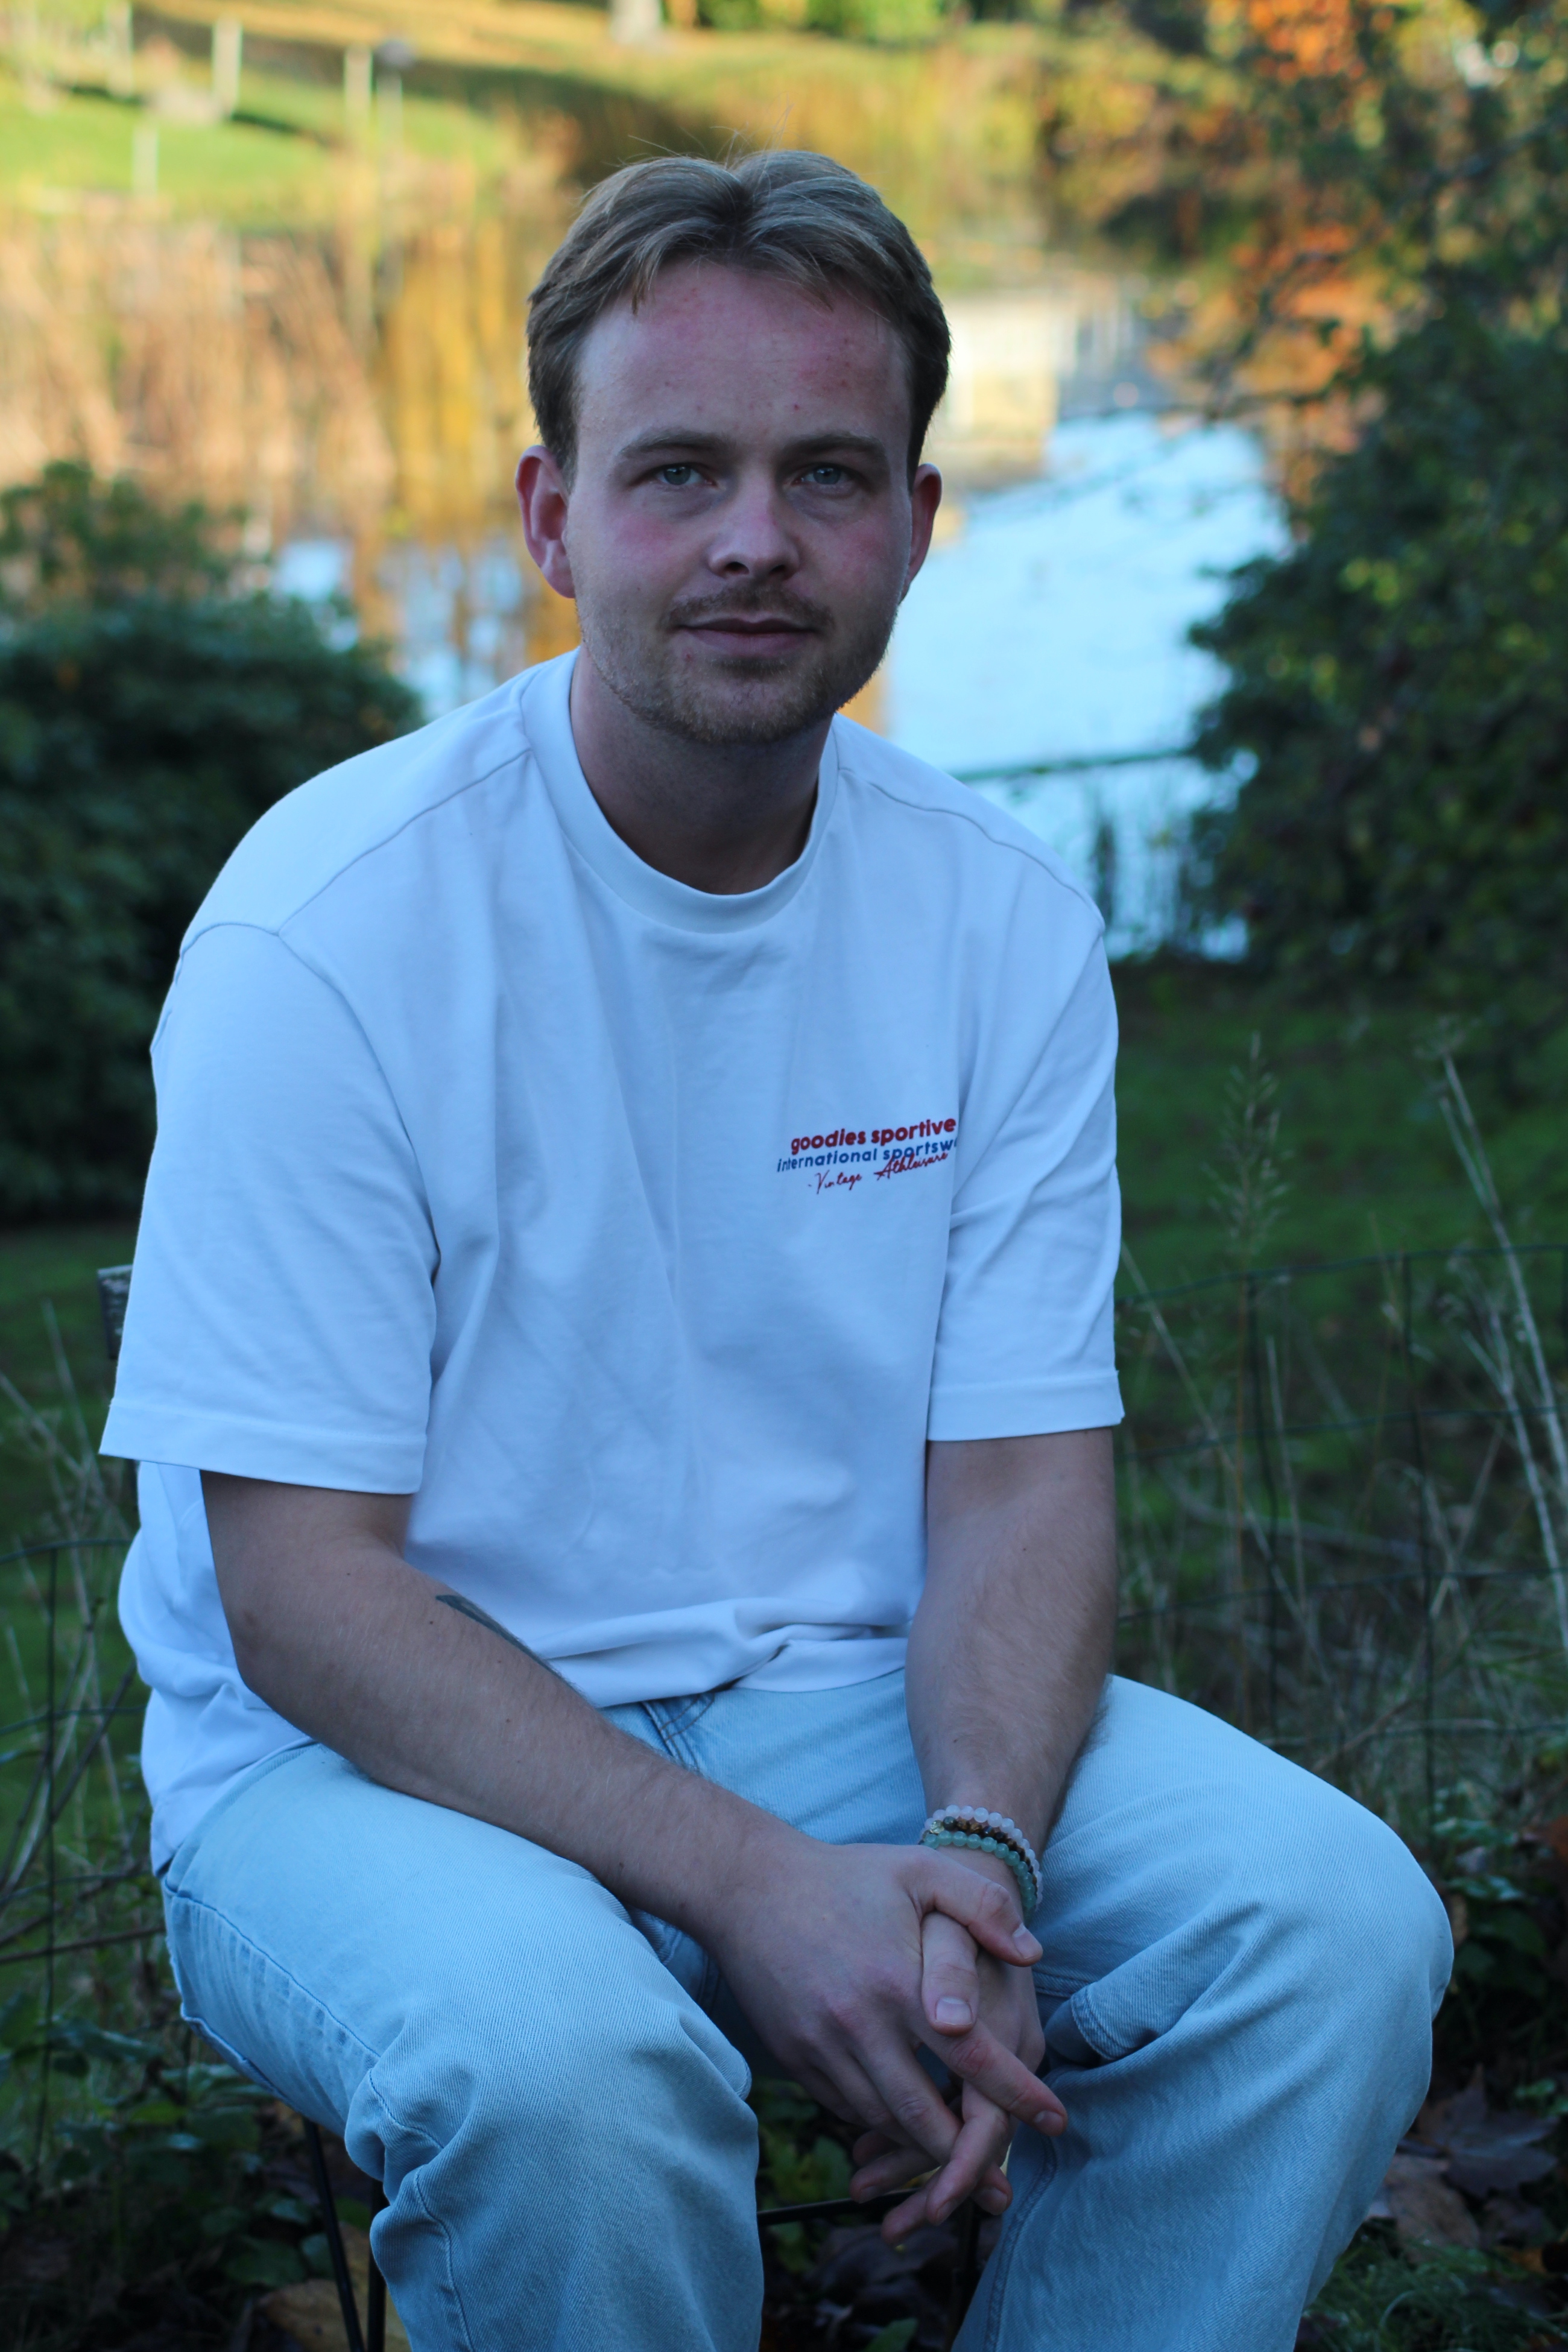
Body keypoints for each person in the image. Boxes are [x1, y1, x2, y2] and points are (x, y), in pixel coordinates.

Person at [103, 149, 1451, 2352]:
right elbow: (301, 1596)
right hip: (350, 1775)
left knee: (1331, 1928)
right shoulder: (325, 932)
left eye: (830, 473)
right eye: (681, 474)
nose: (755, 539)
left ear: (920, 520)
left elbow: (1020, 1483)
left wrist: (982, 1858)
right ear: (550, 520)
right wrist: (749, 1887)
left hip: (837, 1706)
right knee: (574, 2079)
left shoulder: (996, 917)